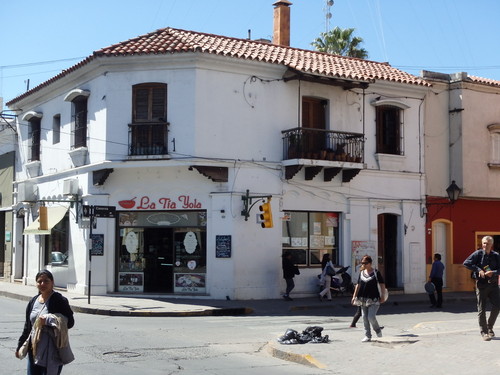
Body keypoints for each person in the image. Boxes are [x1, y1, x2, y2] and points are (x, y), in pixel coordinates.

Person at [15, 270, 75, 374]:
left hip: (52, 350)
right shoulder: (33, 301)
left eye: (46, 281)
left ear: (52, 282)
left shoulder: (59, 300)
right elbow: (28, 327)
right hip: (33, 350)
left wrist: (48, 320)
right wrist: (20, 346)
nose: (42, 284)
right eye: (39, 281)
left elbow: (70, 322)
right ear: (36, 283)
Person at [463, 235, 500, 341]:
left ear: (491, 244)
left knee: (497, 306)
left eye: (487, 243)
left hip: (493, 285)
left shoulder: (496, 255)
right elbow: (466, 263)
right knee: (481, 309)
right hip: (481, 285)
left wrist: (493, 272)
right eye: (484, 243)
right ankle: (484, 332)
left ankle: (489, 327)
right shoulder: (477, 254)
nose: (485, 245)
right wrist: (478, 269)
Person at [351, 255, 386, 342]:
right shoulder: (361, 273)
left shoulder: (376, 273)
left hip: (374, 298)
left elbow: (382, 284)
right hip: (362, 298)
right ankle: (367, 335)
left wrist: (383, 296)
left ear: (370, 263)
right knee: (364, 317)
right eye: (362, 263)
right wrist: (354, 296)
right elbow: (358, 285)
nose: (363, 264)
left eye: (365, 263)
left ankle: (377, 329)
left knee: (371, 317)